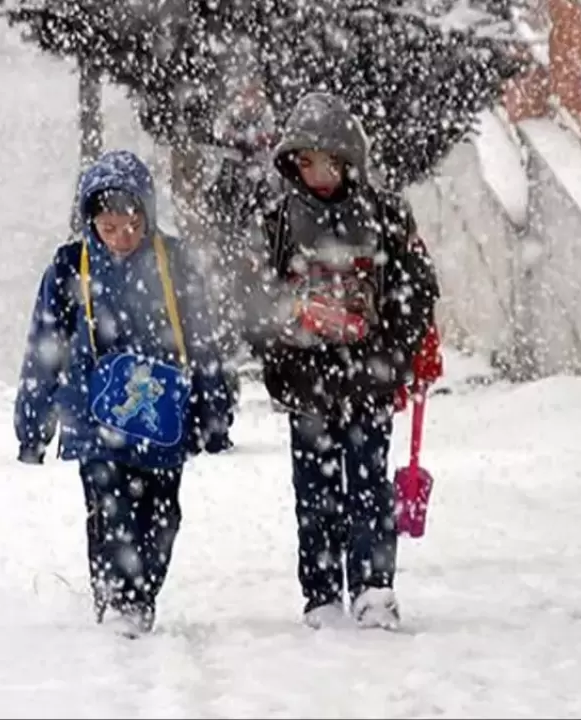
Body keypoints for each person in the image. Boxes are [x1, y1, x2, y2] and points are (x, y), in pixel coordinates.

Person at [241, 91, 444, 630]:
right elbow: (252, 296)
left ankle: (375, 587)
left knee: (369, 484)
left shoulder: (385, 215)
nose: (318, 174)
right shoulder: (278, 220)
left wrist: (392, 349)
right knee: (315, 490)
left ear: (350, 159)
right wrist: (290, 330)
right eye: (306, 163)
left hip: (369, 378)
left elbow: (417, 289)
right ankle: (322, 593)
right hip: (306, 382)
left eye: (329, 162)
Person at [14, 149, 234, 638]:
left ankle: (142, 593)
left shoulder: (174, 263)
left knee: (161, 514)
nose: (120, 238)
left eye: (131, 226)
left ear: (147, 217)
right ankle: (116, 599)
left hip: (162, 417)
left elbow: (203, 340)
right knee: (109, 509)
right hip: (93, 417)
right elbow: (44, 346)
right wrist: (33, 424)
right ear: (91, 221)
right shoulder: (71, 266)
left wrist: (214, 411)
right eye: (108, 228)